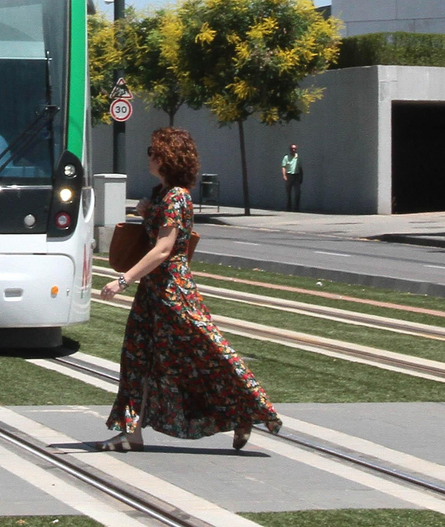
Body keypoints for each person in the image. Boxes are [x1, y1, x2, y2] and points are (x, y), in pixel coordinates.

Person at [98, 127, 280, 452]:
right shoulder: (159, 194)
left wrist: (123, 280)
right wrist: (145, 211)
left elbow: (163, 249)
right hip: (152, 292)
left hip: (174, 292)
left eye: (153, 152)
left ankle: (245, 412)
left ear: (168, 157)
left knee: (207, 353)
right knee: (135, 358)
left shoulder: (177, 198)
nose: (149, 157)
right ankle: (131, 432)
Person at [282, 143, 302, 211]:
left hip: (296, 175)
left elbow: (300, 167)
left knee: (298, 192)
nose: (294, 150)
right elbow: (283, 167)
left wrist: (301, 177)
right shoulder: (286, 157)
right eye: (292, 149)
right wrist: (284, 175)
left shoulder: (298, 157)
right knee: (289, 192)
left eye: (295, 149)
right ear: (290, 150)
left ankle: (296, 207)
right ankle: (289, 206)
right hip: (289, 175)